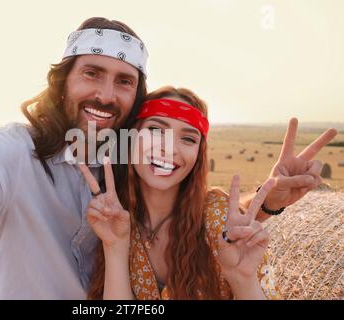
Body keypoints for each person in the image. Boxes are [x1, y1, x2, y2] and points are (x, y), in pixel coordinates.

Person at [0, 16, 337, 299]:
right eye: (91, 73)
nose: (105, 95)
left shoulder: (126, 174)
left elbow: (202, 214)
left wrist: (271, 199)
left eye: (124, 81)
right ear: (62, 82)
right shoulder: (13, 151)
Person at [79, 86, 335, 299]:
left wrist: (244, 279)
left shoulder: (217, 215)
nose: (169, 149)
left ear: (199, 155)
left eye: (188, 139)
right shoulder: (120, 219)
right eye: (156, 130)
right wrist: (115, 246)